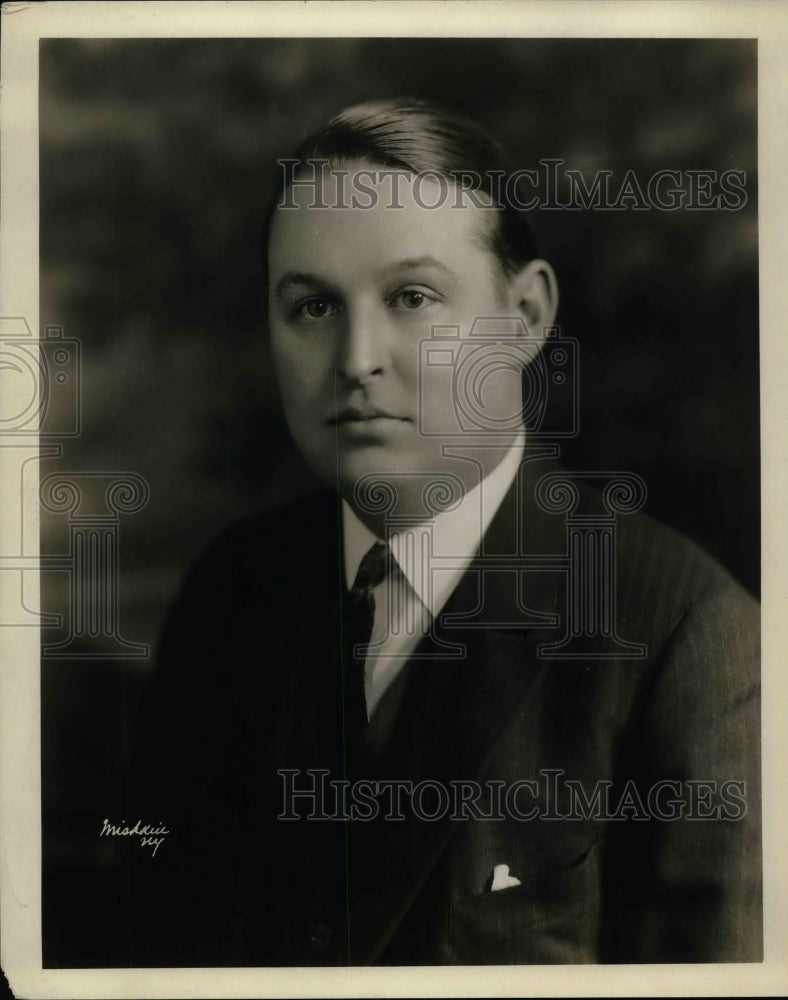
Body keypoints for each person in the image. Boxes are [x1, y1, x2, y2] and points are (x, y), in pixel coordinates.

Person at [129, 99, 761, 966]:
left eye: (412, 297)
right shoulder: (232, 592)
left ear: (527, 318)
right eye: (312, 307)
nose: (356, 359)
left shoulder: (688, 633)